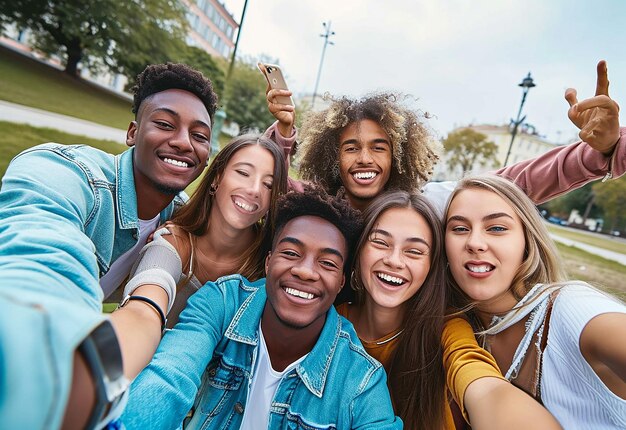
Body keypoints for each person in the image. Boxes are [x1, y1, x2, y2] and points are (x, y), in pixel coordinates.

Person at [0, 63, 220, 429]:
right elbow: (41, 261)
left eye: (199, 135)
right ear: (133, 132)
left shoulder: (182, 221)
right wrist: (50, 358)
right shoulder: (66, 172)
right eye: (165, 124)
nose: (183, 141)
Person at [119, 186, 402, 429]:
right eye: (291, 253)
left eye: (327, 263)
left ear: (341, 282)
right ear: (268, 263)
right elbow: (171, 376)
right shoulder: (223, 302)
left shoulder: (361, 380)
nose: (305, 271)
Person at [266, 61, 624, 214]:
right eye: (351, 147)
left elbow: (521, 181)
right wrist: (283, 134)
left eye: (380, 147)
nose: (365, 158)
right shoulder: (316, 204)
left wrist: (603, 151)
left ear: (399, 156)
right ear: (333, 157)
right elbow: (267, 183)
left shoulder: (429, 206)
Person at [338, 190, 561, 430]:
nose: (394, 260)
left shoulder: (447, 327)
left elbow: (477, 377)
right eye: (380, 243)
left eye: (414, 251)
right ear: (358, 249)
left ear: (432, 265)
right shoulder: (329, 320)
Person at [444, 174, 626, 428]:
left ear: (527, 242)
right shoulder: (459, 330)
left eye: (496, 228)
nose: (474, 243)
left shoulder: (572, 309)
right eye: (460, 228)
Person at [124, 133, 288, 327]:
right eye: (243, 173)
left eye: (268, 184)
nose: (254, 190)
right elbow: (142, 306)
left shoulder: (268, 265)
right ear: (217, 177)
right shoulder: (173, 241)